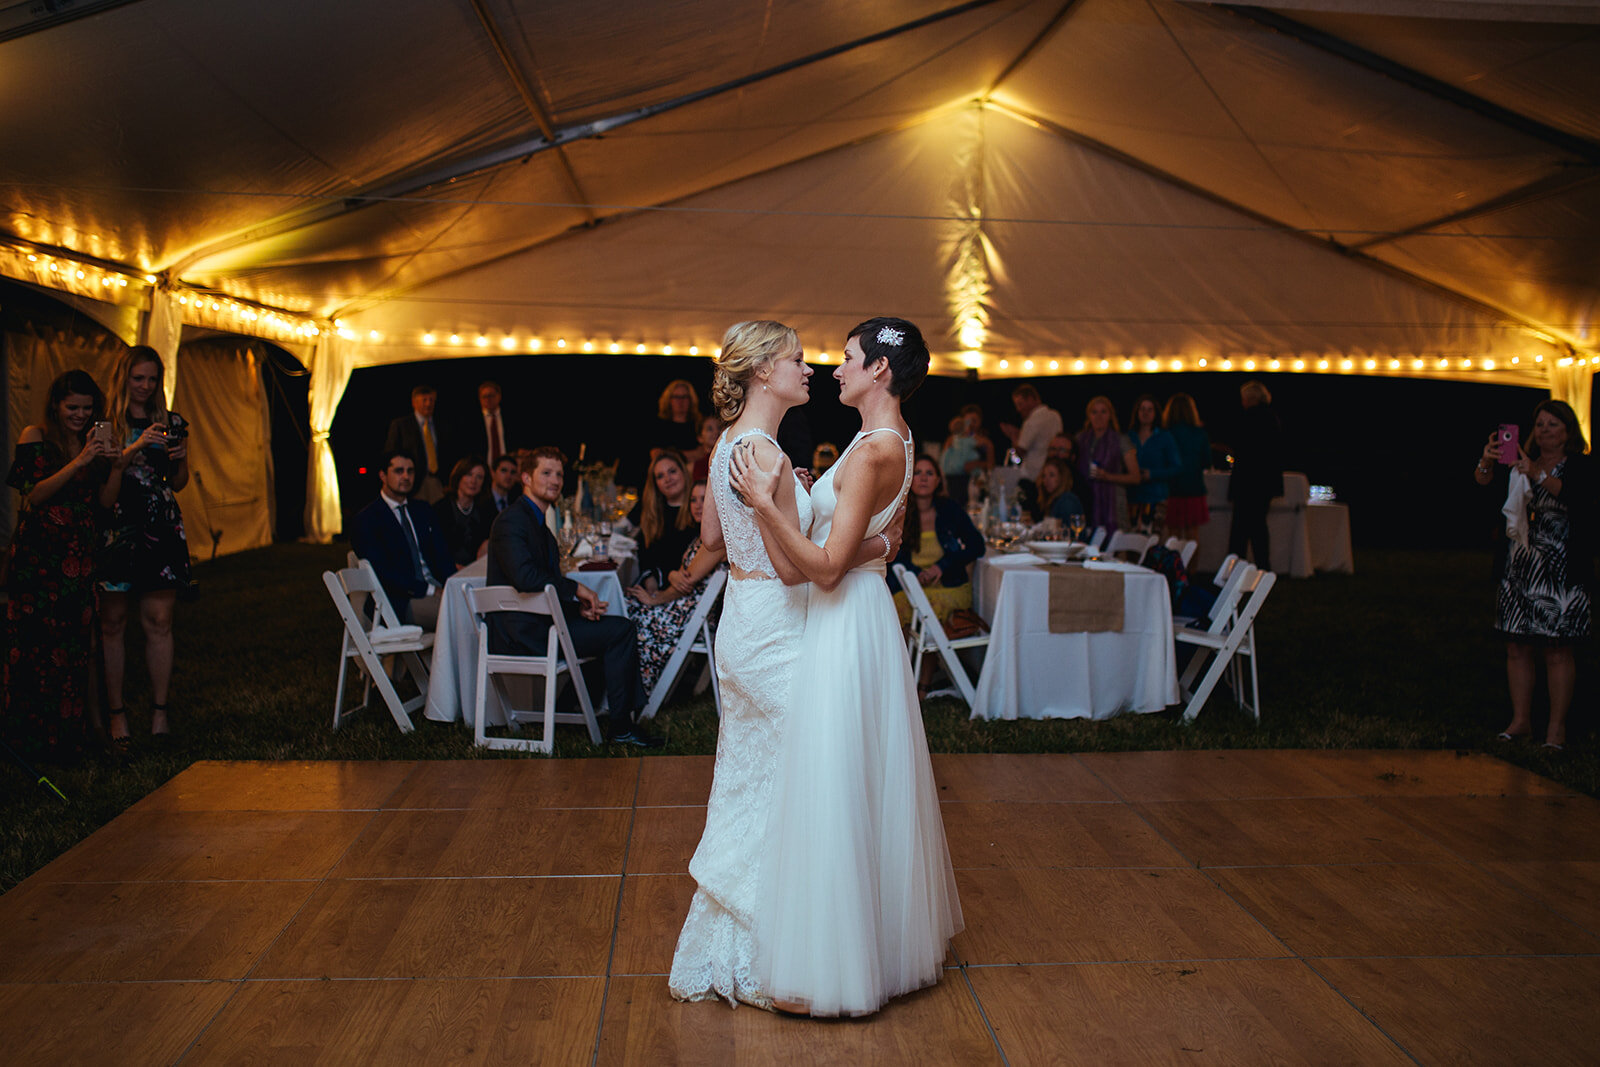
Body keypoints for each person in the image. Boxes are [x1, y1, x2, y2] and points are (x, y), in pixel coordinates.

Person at [730, 316, 961, 1017]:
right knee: (858, 782)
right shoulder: (883, 440)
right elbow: (871, 541)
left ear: (880, 372)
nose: (836, 370)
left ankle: (837, 969)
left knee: (837, 783)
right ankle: (867, 947)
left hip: (843, 623)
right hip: (858, 619)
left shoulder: (872, 451)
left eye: (849, 359)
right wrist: (866, 546)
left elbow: (822, 570)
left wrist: (769, 506)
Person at [669, 320, 894, 1009]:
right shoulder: (765, 453)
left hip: (738, 621)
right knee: (794, 793)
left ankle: (732, 946)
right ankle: (780, 960)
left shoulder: (726, 446)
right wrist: (838, 532)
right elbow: (801, 574)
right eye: (796, 359)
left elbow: (710, 536)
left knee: (749, 783)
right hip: (780, 628)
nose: (808, 368)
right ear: (763, 370)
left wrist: (780, 505)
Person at [485, 446, 661, 748]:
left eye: (559, 474)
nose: (555, 480)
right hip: (521, 633)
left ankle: (572, 707)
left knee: (609, 627)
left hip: (538, 624)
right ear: (526, 477)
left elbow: (546, 584)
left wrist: (576, 609)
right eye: (546, 473)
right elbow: (526, 579)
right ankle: (621, 726)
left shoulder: (539, 526)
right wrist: (578, 589)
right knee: (620, 631)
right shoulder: (511, 521)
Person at [4, 370, 122, 761]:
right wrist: (80, 460)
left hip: (80, 556)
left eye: (88, 408)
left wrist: (117, 464)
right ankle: (32, 740)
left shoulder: (91, 440)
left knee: (79, 646)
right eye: (73, 407)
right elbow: (34, 494)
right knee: (37, 645)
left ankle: (82, 735)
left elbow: (104, 504)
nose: (80, 414)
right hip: (40, 558)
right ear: (56, 404)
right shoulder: (34, 435)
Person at [1475, 400, 1594, 751]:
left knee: (1557, 648)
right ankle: (1520, 721)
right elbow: (1483, 485)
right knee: (1517, 645)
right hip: (1522, 567)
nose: (1544, 430)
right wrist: (1486, 460)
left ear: (1568, 431)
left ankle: (1556, 730)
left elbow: (1578, 498)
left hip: (1561, 570)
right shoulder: (1520, 462)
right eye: (1539, 424)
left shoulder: (1580, 466)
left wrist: (1537, 473)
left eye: (1552, 424)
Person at [98, 346, 193, 746]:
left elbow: (178, 482)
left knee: (159, 622)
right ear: (124, 378)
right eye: (138, 378)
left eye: (152, 379)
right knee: (113, 623)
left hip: (160, 524)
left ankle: (159, 714)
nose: (145, 386)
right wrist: (135, 446)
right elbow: (103, 485)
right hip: (118, 528)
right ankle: (117, 715)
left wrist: (182, 458)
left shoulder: (170, 421)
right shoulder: (106, 424)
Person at [626, 481, 728, 694]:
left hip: (690, 615)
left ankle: (636, 691)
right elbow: (682, 576)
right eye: (693, 500)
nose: (698, 505)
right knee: (627, 606)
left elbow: (687, 583)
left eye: (704, 499)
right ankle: (626, 689)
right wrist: (671, 578)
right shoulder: (701, 537)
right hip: (683, 608)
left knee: (631, 614)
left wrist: (654, 599)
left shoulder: (715, 541)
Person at [349, 450, 457, 630]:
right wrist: (430, 591)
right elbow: (383, 573)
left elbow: (442, 556)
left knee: (477, 608)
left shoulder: (422, 511)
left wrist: (452, 584)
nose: (406, 476)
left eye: (410, 471)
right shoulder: (368, 519)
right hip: (399, 601)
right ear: (383, 475)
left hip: (438, 589)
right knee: (458, 615)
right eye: (399, 471)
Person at [888, 455, 985, 629]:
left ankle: (929, 655)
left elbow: (978, 545)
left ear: (938, 480)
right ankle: (909, 657)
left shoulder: (951, 509)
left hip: (949, 586)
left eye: (929, 473)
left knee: (931, 609)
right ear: (909, 478)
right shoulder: (899, 513)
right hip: (912, 587)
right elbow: (893, 556)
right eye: (917, 472)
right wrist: (916, 573)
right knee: (897, 606)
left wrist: (941, 566)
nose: (923, 478)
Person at [1095, 394, 1180, 533]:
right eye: (1142, 409)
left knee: (1153, 541)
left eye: (1149, 409)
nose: (1145, 413)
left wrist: (1152, 474)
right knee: (1131, 541)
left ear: (1155, 413)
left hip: (1156, 497)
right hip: (1133, 497)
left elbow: (1176, 468)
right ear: (1137, 413)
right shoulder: (1129, 436)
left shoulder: (1165, 437)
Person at [1227, 380, 1284, 570]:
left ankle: (1235, 568)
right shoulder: (1271, 418)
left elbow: (1239, 446)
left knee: (1241, 530)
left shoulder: (1249, 418)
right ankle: (1263, 567)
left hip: (1248, 481)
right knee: (1259, 526)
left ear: (1250, 398)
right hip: (1265, 483)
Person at [632, 448, 698, 589]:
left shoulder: (698, 509)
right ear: (655, 484)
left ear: (684, 472)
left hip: (687, 587)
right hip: (659, 586)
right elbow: (645, 555)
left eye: (672, 471)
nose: (668, 479)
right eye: (660, 476)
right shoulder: (653, 513)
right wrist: (650, 579)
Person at [384, 385, 448, 503]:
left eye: (431, 400)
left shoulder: (442, 425)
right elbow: (390, 455)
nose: (428, 404)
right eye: (424, 400)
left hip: (438, 483)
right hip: (413, 483)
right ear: (414, 402)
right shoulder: (401, 425)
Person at [1075, 395, 1129, 533]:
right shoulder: (1080, 440)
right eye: (1094, 412)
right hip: (1087, 498)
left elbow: (1135, 477)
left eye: (1103, 412)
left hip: (1113, 502)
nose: (1099, 416)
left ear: (1110, 415)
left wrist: (1107, 476)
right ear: (1089, 416)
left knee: (1116, 541)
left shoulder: (1120, 440)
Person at [1163, 393, 1211, 542]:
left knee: (1173, 535)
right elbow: (1207, 462)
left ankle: (1174, 565)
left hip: (1172, 489)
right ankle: (1191, 566)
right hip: (1194, 488)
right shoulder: (1200, 434)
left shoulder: (1166, 434)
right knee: (1192, 535)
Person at [434, 456, 493, 566]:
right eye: (469, 474)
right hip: (446, 569)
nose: (473, 481)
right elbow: (437, 549)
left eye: (479, 477)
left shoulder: (485, 510)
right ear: (459, 476)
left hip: (477, 568)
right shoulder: (441, 508)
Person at [999, 384, 1062, 482]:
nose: (1018, 409)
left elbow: (1020, 451)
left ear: (1031, 399)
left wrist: (1013, 435)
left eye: (1020, 404)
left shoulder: (1031, 421)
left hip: (1032, 475)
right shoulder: (1055, 416)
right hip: (1054, 473)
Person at [940, 403, 992, 505]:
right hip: (955, 485)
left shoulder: (986, 442)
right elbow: (944, 464)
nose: (971, 424)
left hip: (977, 483)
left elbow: (991, 466)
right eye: (968, 420)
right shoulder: (952, 440)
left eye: (975, 420)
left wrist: (976, 464)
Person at [653, 379, 704, 457]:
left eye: (685, 397)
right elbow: (655, 453)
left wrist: (672, 454)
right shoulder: (659, 426)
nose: (680, 401)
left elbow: (702, 453)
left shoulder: (700, 425)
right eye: (676, 397)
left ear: (691, 400)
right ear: (669, 400)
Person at [472, 381, 512, 468]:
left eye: (491, 395)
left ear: (499, 396)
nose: (488, 399)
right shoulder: (472, 422)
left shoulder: (510, 417)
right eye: (484, 396)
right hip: (484, 467)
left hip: (508, 468)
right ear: (480, 399)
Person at [1036, 456, 1086, 525]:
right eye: (1044, 476)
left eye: (1052, 475)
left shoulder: (1067, 501)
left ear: (1062, 477)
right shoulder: (1054, 500)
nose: (1046, 480)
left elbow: (1069, 532)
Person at [690, 415, 723, 482]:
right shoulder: (694, 466)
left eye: (719, 428)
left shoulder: (728, 458)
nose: (716, 432)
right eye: (710, 429)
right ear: (700, 437)